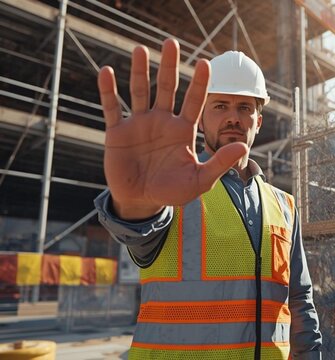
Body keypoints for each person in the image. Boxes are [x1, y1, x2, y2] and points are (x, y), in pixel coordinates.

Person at [94, 38, 322, 359]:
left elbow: (299, 298)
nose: (234, 118)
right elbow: (138, 234)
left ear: (258, 120)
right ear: (200, 118)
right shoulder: (173, 189)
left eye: (245, 107)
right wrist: (137, 206)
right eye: (220, 106)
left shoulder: (284, 205)